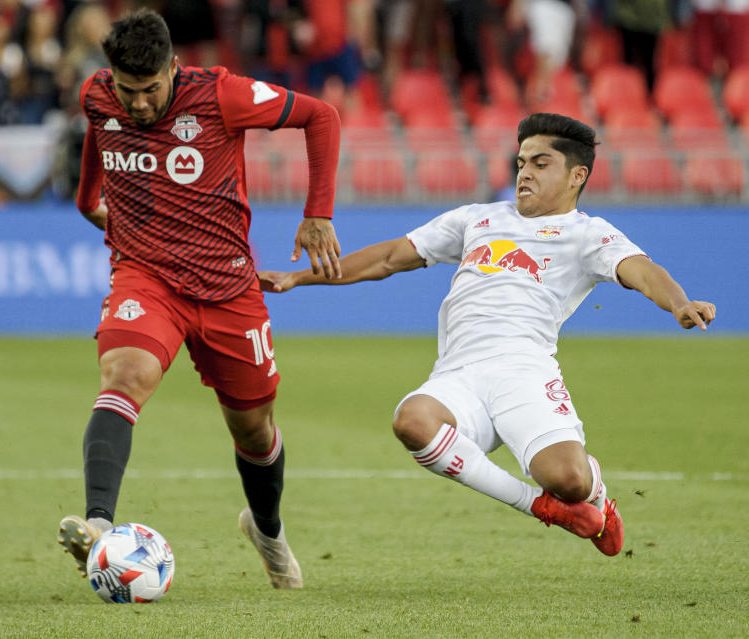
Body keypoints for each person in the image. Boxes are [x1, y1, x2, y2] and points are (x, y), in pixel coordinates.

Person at [259, 113, 716, 556]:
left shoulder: (588, 234)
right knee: (411, 420)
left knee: (569, 480)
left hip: (524, 371)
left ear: (577, 175)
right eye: (521, 163)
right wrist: (299, 279)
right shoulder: (477, 218)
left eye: (541, 164)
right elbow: (390, 257)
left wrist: (678, 302)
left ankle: (595, 498)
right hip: (460, 373)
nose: (525, 174)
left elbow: (640, 271)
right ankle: (538, 505)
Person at [57, 8, 342, 590]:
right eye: (127, 89)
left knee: (254, 430)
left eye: (150, 89)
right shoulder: (98, 96)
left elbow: (322, 115)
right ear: (110, 76)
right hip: (146, 278)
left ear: (174, 68)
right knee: (124, 373)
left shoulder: (222, 96)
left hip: (226, 289)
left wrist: (318, 214)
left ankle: (265, 528)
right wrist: (92, 204)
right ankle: (98, 527)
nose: (137, 104)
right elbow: (96, 152)